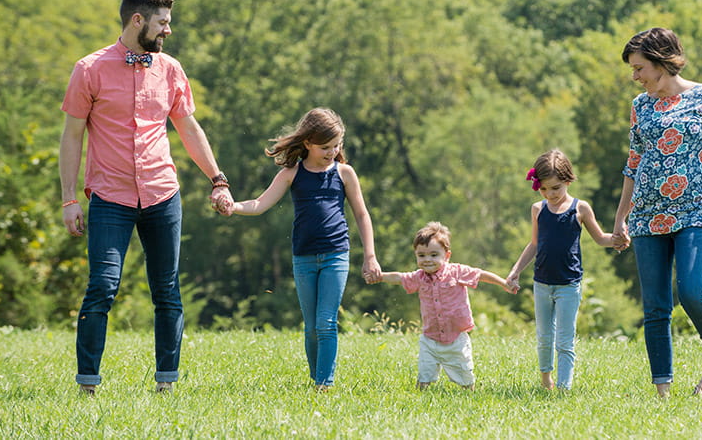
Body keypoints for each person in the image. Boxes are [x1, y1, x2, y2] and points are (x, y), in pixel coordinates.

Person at [59, 0, 233, 396]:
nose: (168, 30)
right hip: (110, 196)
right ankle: (87, 385)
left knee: (167, 290)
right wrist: (69, 199)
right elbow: (72, 136)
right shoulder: (89, 69)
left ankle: (167, 384)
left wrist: (217, 178)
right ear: (138, 20)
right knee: (102, 286)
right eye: (163, 22)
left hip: (162, 194)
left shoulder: (170, 69)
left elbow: (188, 126)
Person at [612, 27, 702, 398]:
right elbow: (633, 163)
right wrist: (621, 216)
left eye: (639, 68)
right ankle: (663, 394)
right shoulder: (641, 106)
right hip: (648, 215)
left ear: (661, 62)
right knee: (655, 306)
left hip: (697, 209)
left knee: (691, 290)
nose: (634, 77)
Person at [216, 107, 381, 391]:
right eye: (325, 147)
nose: (332, 152)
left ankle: (324, 384)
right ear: (307, 143)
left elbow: (362, 215)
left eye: (336, 146)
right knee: (312, 327)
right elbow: (260, 203)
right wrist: (234, 207)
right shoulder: (291, 173)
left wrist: (370, 256)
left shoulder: (344, 173)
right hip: (303, 257)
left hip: (336, 255)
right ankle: (315, 377)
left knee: (326, 322)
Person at [506, 149, 617, 391]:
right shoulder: (538, 209)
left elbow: (600, 238)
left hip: (569, 285)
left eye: (555, 188)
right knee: (544, 338)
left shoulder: (581, 208)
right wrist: (516, 270)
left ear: (568, 180)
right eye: (544, 189)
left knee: (565, 341)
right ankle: (547, 382)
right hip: (542, 284)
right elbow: (534, 244)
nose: (550, 194)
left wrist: (617, 239)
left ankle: (564, 388)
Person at [371, 222, 518, 391]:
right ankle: (421, 394)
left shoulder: (456, 271)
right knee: (424, 373)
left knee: (465, 376)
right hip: (430, 338)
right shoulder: (419, 277)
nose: (427, 260)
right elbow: (399, 278)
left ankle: (469, 394)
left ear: (447, 255)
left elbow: (480, 274)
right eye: (422, 255)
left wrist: (503, 283)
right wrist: (380, 277)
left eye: (434, 255)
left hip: (456, 337)